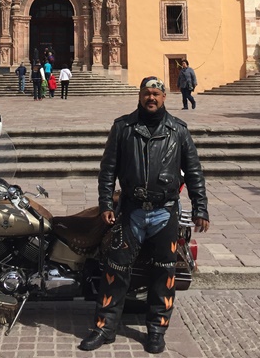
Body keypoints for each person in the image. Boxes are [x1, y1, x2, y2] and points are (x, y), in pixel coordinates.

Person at [78, 76, 209, 354]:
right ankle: (104, 328)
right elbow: (108, 171)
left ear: (164, 97)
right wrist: (105, 204)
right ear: (139, 95)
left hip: (164, 212)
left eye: (156, 93)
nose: (151, 98)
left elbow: (194, 172)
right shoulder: (123, 128)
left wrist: (201, 208)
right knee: (115, 271)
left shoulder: (178, 130)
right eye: (147, 93)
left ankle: (157, 330)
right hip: (131, 212)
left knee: (164, 273)